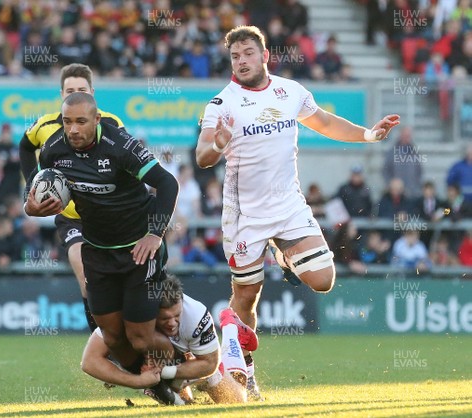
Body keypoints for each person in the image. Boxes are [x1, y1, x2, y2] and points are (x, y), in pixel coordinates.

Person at [195, 25, 399, 399]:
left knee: (323, 279)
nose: (241, 61)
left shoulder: (290, 91)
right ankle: (249, 376)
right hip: (245, 217)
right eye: (234, 56)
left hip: (289, 206)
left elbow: (324, 121)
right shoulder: (221, 104)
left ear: (264, 55)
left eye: (247, 54)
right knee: (246, 298)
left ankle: (286, 258)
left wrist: (369, 134)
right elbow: (203, 155)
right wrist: (218, 144)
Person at [24, 92, 179, 400]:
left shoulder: (121, 145)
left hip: (138, 250)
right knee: (113, 336)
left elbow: (167, 183)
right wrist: (31, 207)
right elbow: (36, 189)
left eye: (81, 121)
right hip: (96, 251)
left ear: (97, 120)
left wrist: (155, 234)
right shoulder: (53, 150)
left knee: (139, 338)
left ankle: (186, 367)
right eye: (67, 122)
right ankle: (160, 390)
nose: (73, 130)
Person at [19, 63, 125, 333]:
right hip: (72, 218)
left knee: (120, 284)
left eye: (81, 90)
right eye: (69, 90)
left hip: (110, 217)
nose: (74, 94)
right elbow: (25, 145)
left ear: (92, 93)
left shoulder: (111, 123)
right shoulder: (46, 125)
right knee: (87, 279)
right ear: (61, 94)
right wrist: (31, 184)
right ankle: (105, 348)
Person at [80, 275, 254, 405]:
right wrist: (138, 381)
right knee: (183, 408)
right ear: (150, 311)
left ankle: (230, 326)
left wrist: (163, 372)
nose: (172, 324)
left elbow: (209, 364)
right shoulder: (131, 314)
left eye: (176, 316)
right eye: (164, 318)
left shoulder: (195, 314)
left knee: (236, 402)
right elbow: (89, 362)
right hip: (165, 360)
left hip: (192, 362)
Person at [382, 126, 423, 199]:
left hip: (412, 193)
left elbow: (419, 171)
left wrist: (415, 185)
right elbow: (385, 170)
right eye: (405, 136)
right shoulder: (392, 152)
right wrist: (392, 184)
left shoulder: (414, 152)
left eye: (408, 136)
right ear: (400, 136)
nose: (407, 138)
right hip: (396, 195)